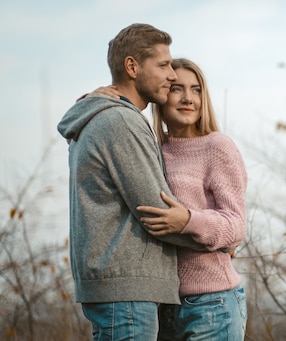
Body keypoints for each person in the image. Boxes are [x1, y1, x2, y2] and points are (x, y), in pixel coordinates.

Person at [57, 24, 206, 340]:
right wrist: (215, 240)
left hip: (121, 289)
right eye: (163, 65)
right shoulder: (121, 122)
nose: (172, 76)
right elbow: (156, 210)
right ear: (132, 67)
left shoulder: (105, 117)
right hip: (126, 291)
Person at [93, 58, 248, 340]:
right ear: (162, 95)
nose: (188, 98)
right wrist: (94, 101)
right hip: (162, 304)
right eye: (177, 89)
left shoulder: (217, 146)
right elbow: (93, 143)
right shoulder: (151, 147)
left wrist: (188, 221)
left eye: (196, 89)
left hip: (212, 303)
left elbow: (236, 225)